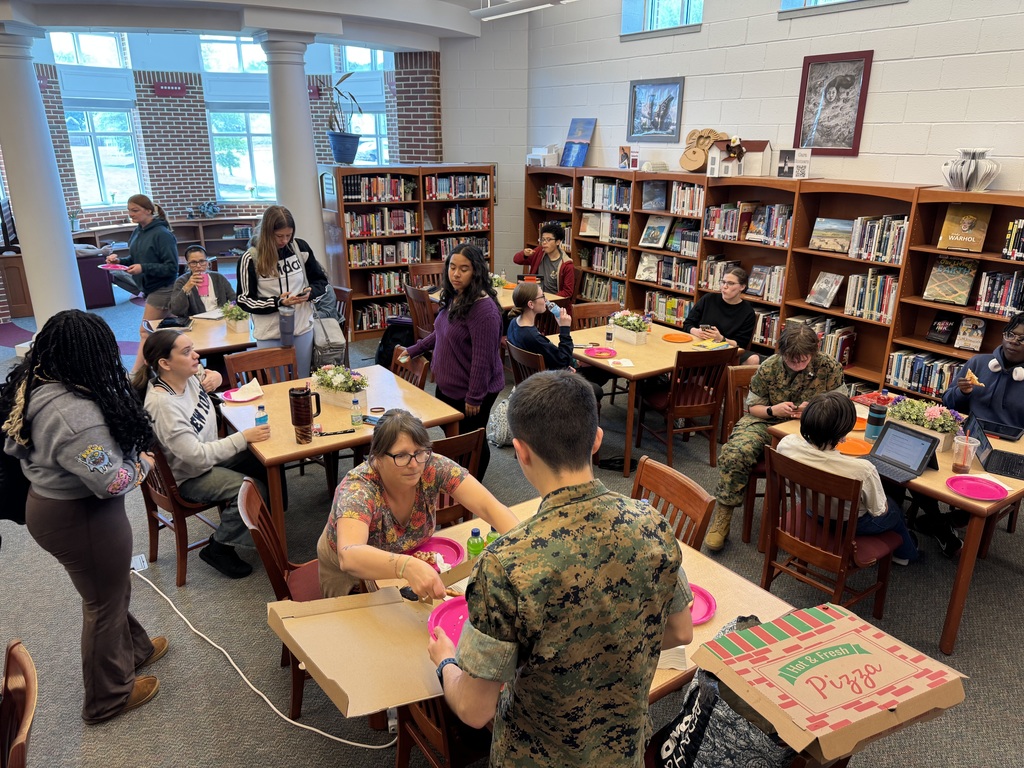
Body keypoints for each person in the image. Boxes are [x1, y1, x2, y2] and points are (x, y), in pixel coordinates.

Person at [427, 371, 694, 767]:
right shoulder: (653, 523)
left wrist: (445, 662)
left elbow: (473, 708)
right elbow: (680, 631)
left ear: (521, 452)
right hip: (624, 752)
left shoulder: (505, 564)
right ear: (597, 439)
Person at [1, 310, 164, 723]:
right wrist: (144, 462)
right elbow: (112, 482)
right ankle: (107, 699)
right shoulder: (73, 416)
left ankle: (135, 651)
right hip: (80, 517)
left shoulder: (40, 380)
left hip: (61, 507)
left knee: (110, 589)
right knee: (103, 602)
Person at [316, 409, 519, 599]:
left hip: (404, 562)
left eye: (420, 451)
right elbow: (349, 555)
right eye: (401, 455)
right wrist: (407, 566)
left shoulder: (430, 465)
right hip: (349, 574)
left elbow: (488, 506)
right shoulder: (358, 489)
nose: (414, 464)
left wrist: (523, 543)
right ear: (377, 456)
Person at [133, 329, 271, 579]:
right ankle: (219, 548)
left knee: (262, 458)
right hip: (189, 476)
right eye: (187, 352)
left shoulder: (186, 375)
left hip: (205, 456)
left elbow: (209, 374)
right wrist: (242, 438)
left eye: (193, 348)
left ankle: (266, 521)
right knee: (253, 488)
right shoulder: (164, 405)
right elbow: (196, 457)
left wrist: (215, 376)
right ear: (165, 363)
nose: (196, 355)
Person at [706, 323, 845, 551]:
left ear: (814, 352)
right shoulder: (769, 367)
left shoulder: (829, 367)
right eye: (791, 360)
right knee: (735, 452)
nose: (797, 365)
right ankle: (723, 515)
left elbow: (841, 407)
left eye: (803, 360)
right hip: (767, 421)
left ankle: (825, 520)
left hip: (812, 427)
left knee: (835, 461)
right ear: (783, 353)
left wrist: (816, 410)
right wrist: (773, 410)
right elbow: (753, 408)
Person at [776, 391, 919, 565]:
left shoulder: (786, 445)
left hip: (811, 508)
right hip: (850, 524)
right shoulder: (862, 470)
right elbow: (879, 511)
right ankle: (907, 555)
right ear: (843, 433)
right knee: (894, 510)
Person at [401, 244, 504, 479]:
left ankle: (473, 485)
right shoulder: (456, 296)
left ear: (476, 272)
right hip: (450, 385)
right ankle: (459, 477)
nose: (456, 274)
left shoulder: (484, 311)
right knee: (457, 439)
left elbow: (483, 360)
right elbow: (442, 331)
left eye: (464, 269)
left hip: (473, 391)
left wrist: (474, 397)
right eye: (452, 267)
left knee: (473, 441)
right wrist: (416, 349)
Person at [236, 205, 329, 378]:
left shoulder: (300, 248)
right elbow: (244, 299)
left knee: (303, 379)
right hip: (270, 332)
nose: (284, 241)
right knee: (277, 383)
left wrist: (311, 293)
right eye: (279, 236)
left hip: (301, 328)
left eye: (289, 235)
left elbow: (321, 281)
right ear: (267, 233)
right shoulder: (250, 258)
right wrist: (278, 302)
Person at [105, 194, 179, 371]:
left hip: (163, 288)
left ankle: (136, 375)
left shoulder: (162, 234)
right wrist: (120, 261)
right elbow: (135, 258)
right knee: (170, 331)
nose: (131, 214)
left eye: (135, 210)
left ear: (148, 211)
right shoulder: (138, 231)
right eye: (129, 210)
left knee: (145, 331)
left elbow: (171, 268)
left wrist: (143, 268)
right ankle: (172, 366)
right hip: (148, 287)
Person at [505, 280, 611, 402]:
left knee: (601, 371)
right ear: (531, 304)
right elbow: (563, 361)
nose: (546, 300)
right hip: (549, 385)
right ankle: (568, 406)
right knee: (597, 388)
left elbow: (557, 359)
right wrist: (564, 328)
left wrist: (567, 365)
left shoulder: (515, 323)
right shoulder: (532, 337)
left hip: (536, 379)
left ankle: (576, 406)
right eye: (542, 296)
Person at [942, 311, 1024, 428]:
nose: (1013, 341)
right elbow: (947, 403)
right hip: (970, 433)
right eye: (1010, 335)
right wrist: (962, 392)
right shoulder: (978, 363)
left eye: (1022, 339)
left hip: (1013, 439)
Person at [683, 266, 760, 365]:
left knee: (754, 359)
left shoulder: (748, 312)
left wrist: (721, 339)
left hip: (726, 351)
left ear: (742, 287)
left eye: (730, 283)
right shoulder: (708, 299)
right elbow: (687, 324)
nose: (725, 286)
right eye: (723, 282)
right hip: (700, 345)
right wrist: (697, 332)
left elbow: (741, 344)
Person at [168, 246, 236, 317]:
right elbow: (176, 310)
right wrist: (186, 288)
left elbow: (234, 299)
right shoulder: (182, 281)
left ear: (207, 263)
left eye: (202, 261)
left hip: (221, 318)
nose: (198, 266)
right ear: (188, 265)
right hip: (196, 321)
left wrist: (230, 308)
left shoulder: (219, 278)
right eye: (193, 262)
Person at [513, 222, 575, 299]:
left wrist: (548, 299)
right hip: (535, 297)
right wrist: (524, 254)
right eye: (543, 239)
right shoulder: (539, 252)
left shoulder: (566, 264)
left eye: (548, 240)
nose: (544, 243)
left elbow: (567, 292)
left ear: (558, 242)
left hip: (553, 301)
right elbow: (516, 260)